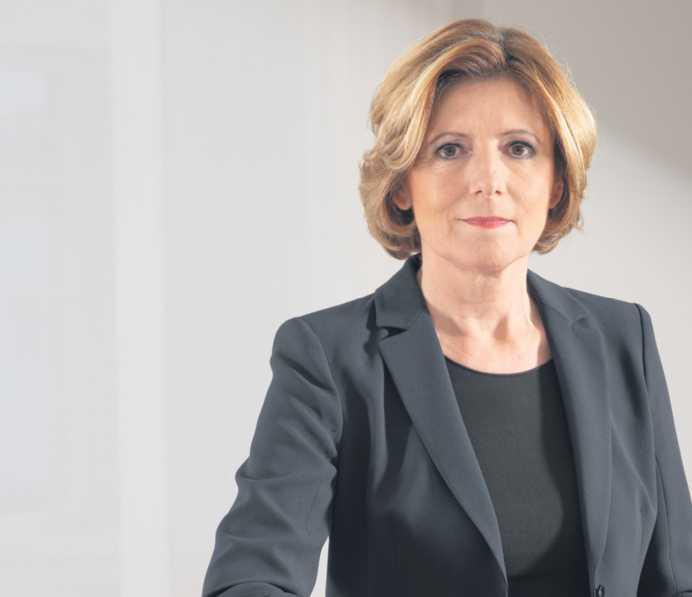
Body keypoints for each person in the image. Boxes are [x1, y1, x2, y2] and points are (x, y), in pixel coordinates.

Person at [201, 18, 692, 597]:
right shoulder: (329, 359)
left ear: (557, 181)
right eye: (450, 149)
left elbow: (676, 579)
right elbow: (250, 577)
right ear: (402, 183)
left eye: (519, 148)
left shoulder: (622, 339)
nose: (488, 180)